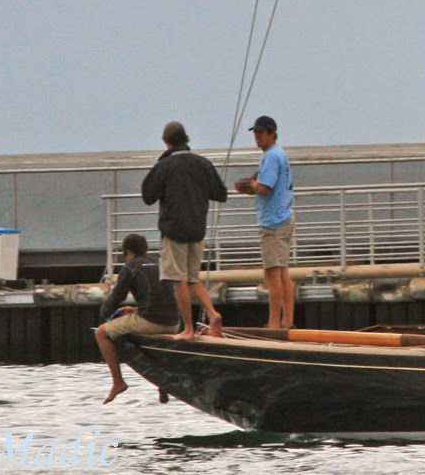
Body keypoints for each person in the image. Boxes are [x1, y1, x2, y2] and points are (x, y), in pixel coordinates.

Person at [140, 120, 228, 341]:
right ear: (186, 139)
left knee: (178, 280)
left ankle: (188, 328)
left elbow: (147, 196)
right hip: (197, 230)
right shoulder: (203, 163)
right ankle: (212, 313)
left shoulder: (164, 166)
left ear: (166, 142)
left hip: (174, 231)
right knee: (192, 279)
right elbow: (220, 193)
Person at [94, 233, 180, 403]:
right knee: (151, 343)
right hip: (174, 323)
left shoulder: (131, 266)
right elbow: (161, 295)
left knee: (101, 333)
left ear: (128, 251)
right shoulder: (159, 263)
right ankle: (162, 384)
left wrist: (104, 315)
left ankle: (118, 382)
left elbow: (117, 296)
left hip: (151, 321)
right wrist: (136, 309)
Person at [235, 115, 295, 330]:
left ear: (272, 133)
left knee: (272, 273)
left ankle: (274, 324)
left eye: (261, 133)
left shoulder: (271, 156)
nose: (257, 137)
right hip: (283, 216)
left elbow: (264, 188)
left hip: (273, 222)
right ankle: (286, 321)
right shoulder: (281, 154)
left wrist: (247, 187)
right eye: (255, 133)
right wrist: (254, 183)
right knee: (282, 271)